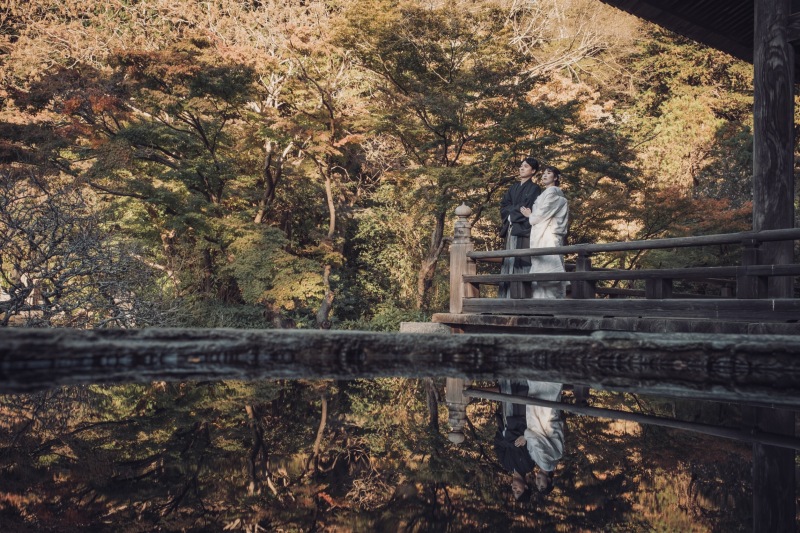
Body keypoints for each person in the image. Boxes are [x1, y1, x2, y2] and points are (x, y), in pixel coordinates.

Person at [493, 379, 565, 499]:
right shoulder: (539, 463)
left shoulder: (512, 464)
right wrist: (522, 437)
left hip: (516, 423)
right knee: (535, 388)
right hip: (531, 421)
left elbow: (498, 445)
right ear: (549, 480)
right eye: (541, 486)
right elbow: (536, 440)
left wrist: (506, 435)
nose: (538, 483)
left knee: (524, 388)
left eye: (537, 486)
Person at [519, 165, 569, 299]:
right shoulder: (546, 194)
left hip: (548, 236)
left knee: (549, 267)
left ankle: (550, 303)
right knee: (543, 267)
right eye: (544, 173)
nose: (545, 175)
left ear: (556, 177)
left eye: (549, 173)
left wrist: (530, 216)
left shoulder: (553, 193)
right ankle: (543, 301)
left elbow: (540, 215)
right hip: (543, 235)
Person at [498, 157, 542, 299]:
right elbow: (504, 205)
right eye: (521, 166)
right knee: (509, 259)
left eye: (526, 166)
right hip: (511, 227)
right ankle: (506, 295)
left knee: (522, 259)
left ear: (533, 171)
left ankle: (521, 296)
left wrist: (512, 212)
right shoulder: (513, 187)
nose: (522, 168)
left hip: (524, 228)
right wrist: (513, 212)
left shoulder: (535, 188)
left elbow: (528, 208)